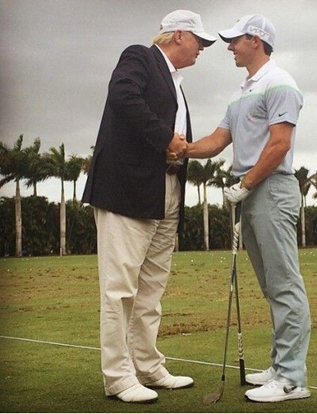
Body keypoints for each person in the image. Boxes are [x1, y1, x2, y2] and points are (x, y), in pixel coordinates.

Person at [82, 10, 216, 403]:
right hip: (127, 189)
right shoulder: (139, 56)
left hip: (165, 189)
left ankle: (147, 365)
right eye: (199, 40)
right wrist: (165, 138)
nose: (202, 48)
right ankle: (118, 377)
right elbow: (122, 96)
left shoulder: (176, 83)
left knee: (151, 288)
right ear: (178, 35)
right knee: (120, 288)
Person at [186, 14, 311, 403]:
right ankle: (280, 365)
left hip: (270, 188)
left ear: (256, 40)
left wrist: (245, 184)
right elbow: (217, 139)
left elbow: (279, 145)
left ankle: (292, 379)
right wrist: (181, 150)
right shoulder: (241, 92)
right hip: (253, 191)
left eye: (235, 40)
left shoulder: (280, 82)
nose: (229, 46)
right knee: (272, 286)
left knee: (284, 284)